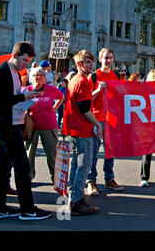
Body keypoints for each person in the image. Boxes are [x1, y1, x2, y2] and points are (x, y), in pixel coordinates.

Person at [0, 41, 52, 220]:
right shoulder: (1, 72)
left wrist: (26, 99)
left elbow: (10, 99)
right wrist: (23, 96)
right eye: (25, 60)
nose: (27, 65)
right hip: (7, 125)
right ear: (15, 54)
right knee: (22, 167)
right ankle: (27, 209)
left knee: (3, 168)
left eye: (29, 61)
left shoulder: (15, 73)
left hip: (14, 122)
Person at [63, 50, 102, 215]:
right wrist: (98, 125)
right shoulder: (83, 82)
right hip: (81, 129)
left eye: (92, 62)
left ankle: (73, 196)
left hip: (74, 128)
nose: (90, 65)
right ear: (79, 64)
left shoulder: (74, 80)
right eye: (86, 62)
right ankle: (77, 201)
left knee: (76, 165)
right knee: (83, 166)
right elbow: (85, 109)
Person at [86, 48, 124, 196]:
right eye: (105, 58)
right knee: (94, 152)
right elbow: (87, 97)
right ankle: (91, 181)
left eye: (110, 58)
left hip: (112, 118)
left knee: (110, 151)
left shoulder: (117, 75)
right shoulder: (94, 76)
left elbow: (122, 94)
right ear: (100, 59)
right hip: (97, 118)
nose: (108, 60)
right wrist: (99, 90)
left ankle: (109, 179)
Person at [25, 67, 64, 182]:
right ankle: (29, 176)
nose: (38, 77)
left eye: (41, 75)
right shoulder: (27, 90)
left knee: (52, 154)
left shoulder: (51, 89)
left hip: (49, 125)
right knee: (29, 154)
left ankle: (55, 177)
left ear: (45, 78)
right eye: (35, 75)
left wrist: (55, 107)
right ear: (31, 78)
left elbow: (61, 96)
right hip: (32, 126)